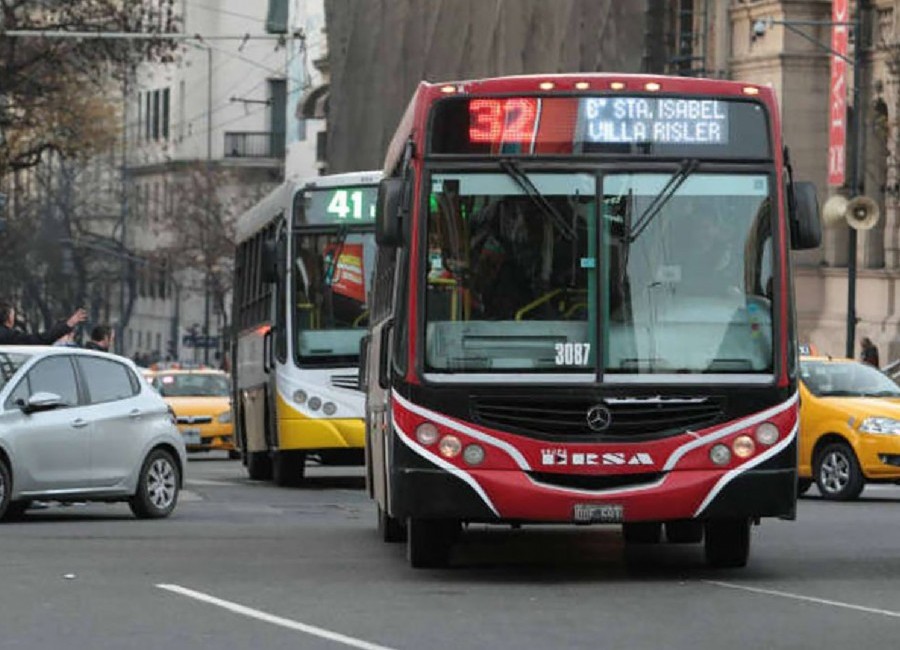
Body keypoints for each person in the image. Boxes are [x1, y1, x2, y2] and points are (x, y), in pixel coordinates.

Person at [0, 301, 87, 345]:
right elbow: (41, 339)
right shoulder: (9, 336)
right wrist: (68, 324)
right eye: (13, 315)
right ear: (9, 318)